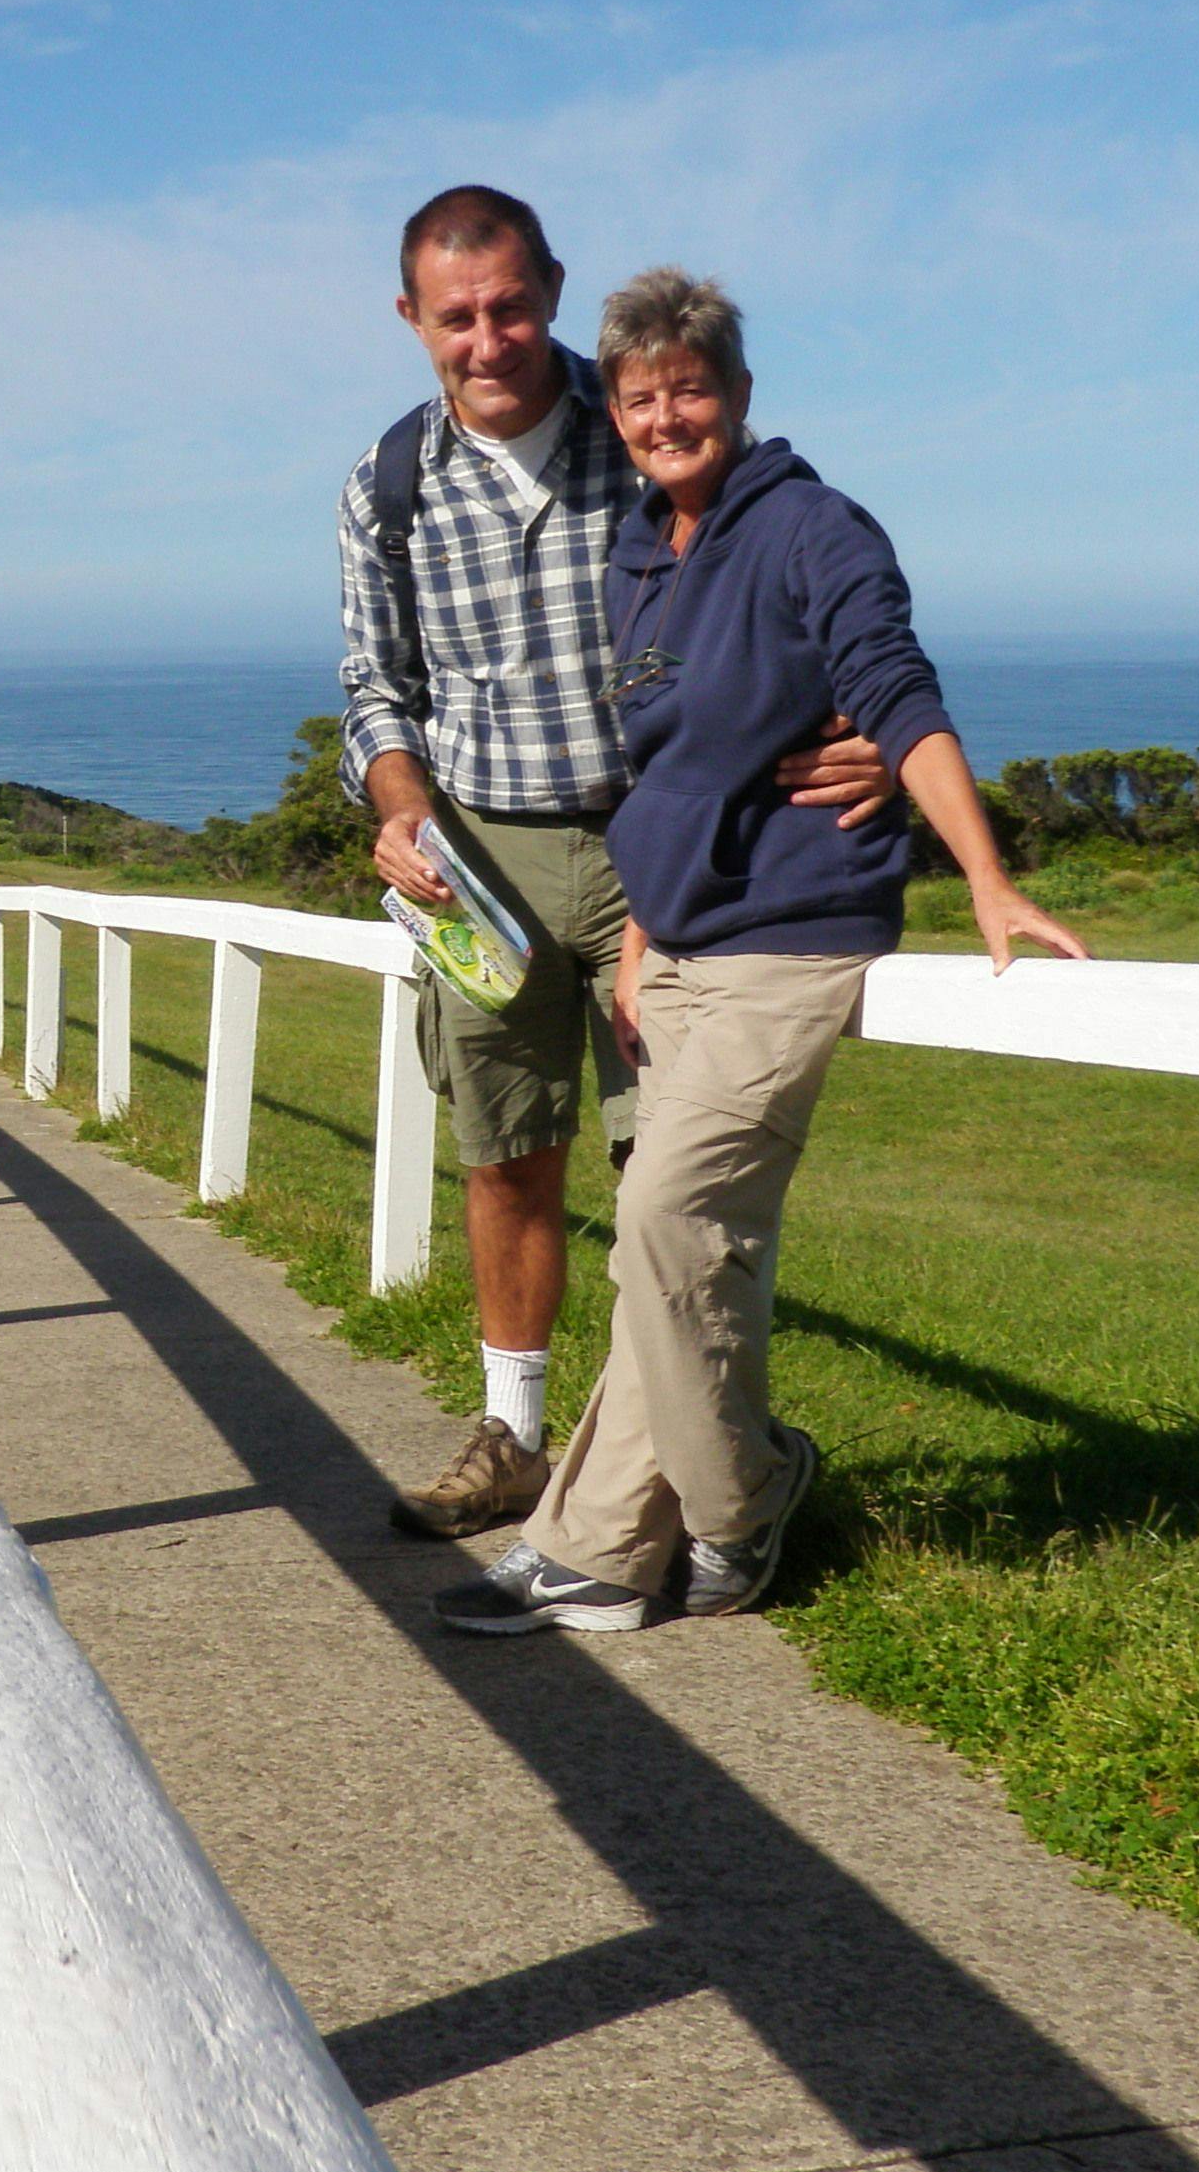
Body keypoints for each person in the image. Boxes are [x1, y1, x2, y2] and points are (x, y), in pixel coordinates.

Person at [435, 265, 1087, 1635]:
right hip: (676, 954)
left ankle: (753, 1498)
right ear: (615, 414)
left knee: (673, 1219)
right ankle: (603, 1546)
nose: (667, 414)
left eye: (691, 387)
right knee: (660, 1258)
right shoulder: (641, 558)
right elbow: (669, 768)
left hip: (788, 948)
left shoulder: (811, 530)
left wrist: (983, 876)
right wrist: (642, 932)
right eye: (640, 395)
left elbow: (897, 690)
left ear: (737, 393)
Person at [339, 190, 891, 1540]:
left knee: (677, 1180)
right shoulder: (388, 485)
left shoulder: (650, 423)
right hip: (480, 858)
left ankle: (708, 1464)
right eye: (456, 317)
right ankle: (517, 1443)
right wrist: (400, 806)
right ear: (412, 321)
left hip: (673, 847)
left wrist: (874, 733)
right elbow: (375, 691)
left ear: (553, 289)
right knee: (506, 1155)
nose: (489, 339)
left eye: (512, 304)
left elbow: (796, 585)